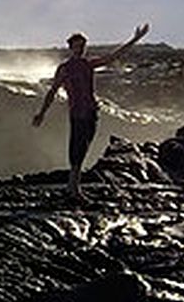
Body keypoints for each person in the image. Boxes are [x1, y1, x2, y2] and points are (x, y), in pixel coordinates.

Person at [32, 22, 150, 198]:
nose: (80, 49)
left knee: (84, 147)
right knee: (77, 148)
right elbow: (52, 91)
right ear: (70, 48)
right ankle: (74, 189)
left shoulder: (88, 64)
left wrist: (135, 39)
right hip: (77, 112)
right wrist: (41, 113)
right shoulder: (64, 68)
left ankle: (73, 187)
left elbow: (113, 57)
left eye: (83, 46)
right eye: (77, 46)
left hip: (91, 112)